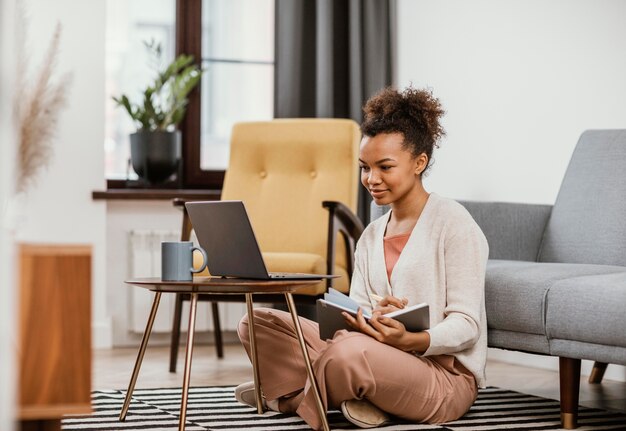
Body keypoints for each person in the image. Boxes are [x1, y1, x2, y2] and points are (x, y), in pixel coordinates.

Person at [234, 86, 489, 430]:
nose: (371, 179)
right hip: (377, 356)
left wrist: (411, 338)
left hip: (442, 376)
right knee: (256, 323)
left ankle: (290, 397)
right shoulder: (371, 235)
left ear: (419, 162)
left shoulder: (454, 223)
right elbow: (353, 316)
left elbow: (468, 326)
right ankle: (353, 395)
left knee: (348, 354)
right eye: (364, 167)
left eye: (385, 167)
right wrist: (369, 318)